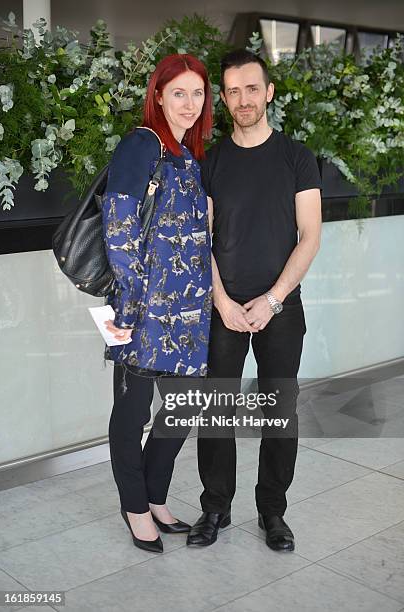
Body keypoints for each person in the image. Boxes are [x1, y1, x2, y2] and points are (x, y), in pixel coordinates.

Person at [187, 49, 322, 551]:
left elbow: (309, 236)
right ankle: (215, 508)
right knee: (216, 413)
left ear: (268, 93)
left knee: (279, 413)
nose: (243, 99)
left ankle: (272, 513)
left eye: (251, 88)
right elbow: (202, 238)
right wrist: (221, 301)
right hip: (223, 307)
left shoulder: (297, 157)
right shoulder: (212, 161)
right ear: (223, 99)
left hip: (281, 308)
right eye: (233, 91)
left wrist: (273, 299)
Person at [101, 54, 213, 553]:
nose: (190, 104)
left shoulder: (188, 156)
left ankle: (156, 495)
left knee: (183, 408)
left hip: (189, 313)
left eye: (197, 93)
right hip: (143, 309)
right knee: (132, 411)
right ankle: (134, 506)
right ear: (159, 96)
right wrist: (129, 304)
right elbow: (119, 229)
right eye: (179, 94)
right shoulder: (140, 146)